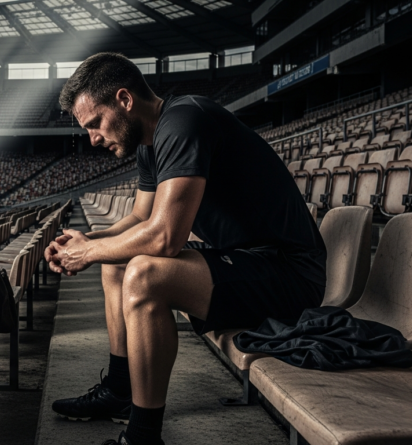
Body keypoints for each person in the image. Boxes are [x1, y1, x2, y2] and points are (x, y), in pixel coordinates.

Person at [45, 53, 326, 445]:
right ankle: (120, 390)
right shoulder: (149, 143)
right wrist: (87, 243)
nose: (92, 138)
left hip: (290, 274)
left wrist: (89, 253)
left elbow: (164, 238)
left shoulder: (184, 121)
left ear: (124, 100)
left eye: (95, 123)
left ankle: (142, 437)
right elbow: (142, 217)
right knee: (117, 263)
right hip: (248, 261)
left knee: (144, 274)